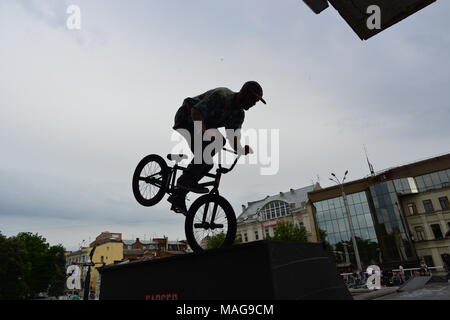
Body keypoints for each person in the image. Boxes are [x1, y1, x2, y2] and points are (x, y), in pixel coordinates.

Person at [168, 81, 267, 214]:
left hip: (205, 125)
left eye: (256, 101)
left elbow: (233, 138)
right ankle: (184, 181)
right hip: (187, 116)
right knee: (218, 142)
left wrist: (242, 150)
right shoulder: (222, 95)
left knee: (207, 164)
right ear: (244, 92)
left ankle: (178, 196)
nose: (253, 104)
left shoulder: (238, 114)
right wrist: (202, 131)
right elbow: (196, 111)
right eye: (253, 99)